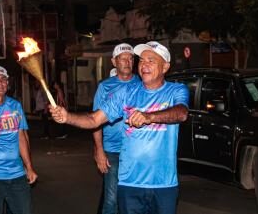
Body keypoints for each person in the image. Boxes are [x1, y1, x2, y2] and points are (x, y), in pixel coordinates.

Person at [49, 41, 189, 214]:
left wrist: (149, 117)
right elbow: (94, 119)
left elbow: (181, 113)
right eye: (142, 60)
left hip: (164, 184)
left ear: (165, 66)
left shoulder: (176, 90)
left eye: (151, 60)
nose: (144, 65)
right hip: (129, 183)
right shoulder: (126, 93)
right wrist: (67, 117)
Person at [0, 66, 38, 214]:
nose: (0, 83)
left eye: (3, 79)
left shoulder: (15, 105)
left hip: (17, 173)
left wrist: (29, 167)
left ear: (7, 83)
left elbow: (22, 137)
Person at [93, 43, 140, 214]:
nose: (127, 62)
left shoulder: (141, 84)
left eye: (130, 58)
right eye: (122, 59)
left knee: (134, 198)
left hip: (136, 150)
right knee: (111, 199)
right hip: (112, 150)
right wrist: (99, 150)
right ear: (114, 62)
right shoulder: (105, 87)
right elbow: (94, 121)